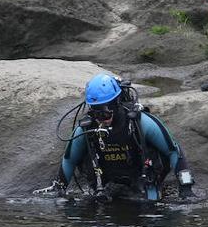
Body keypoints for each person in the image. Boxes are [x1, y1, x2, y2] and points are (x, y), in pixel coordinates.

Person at [39, 74, 194, 202]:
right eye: (96, 113)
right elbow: (69, 159)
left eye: (106, 113)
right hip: (105, 186)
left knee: (150, 208)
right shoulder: (87, 128)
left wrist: (186, 188)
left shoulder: (140, 122)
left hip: (143, 181)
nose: (101, 119)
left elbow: (174, 151)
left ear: (116, 104)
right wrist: (59, 187)